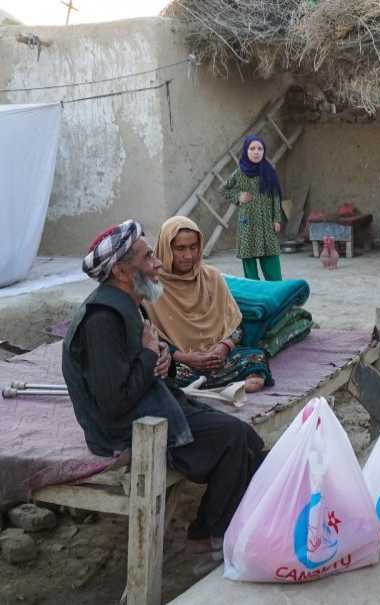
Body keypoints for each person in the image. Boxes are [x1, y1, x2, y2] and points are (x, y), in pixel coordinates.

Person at [62, 219, 265, 553]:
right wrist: (147, 355)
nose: (158, 264)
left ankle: (228, 525)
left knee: (248, 440)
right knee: (234, 439)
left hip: (150, 403)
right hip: (122, 428)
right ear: (122, 272)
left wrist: (164, 358)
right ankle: (207, 534)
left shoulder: (130, 303)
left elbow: (147, 364)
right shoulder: (103, 320)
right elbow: (113, 402)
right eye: (148, 257)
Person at [145, 216, 272, 394]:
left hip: (216, 358)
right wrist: (184, 357)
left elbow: (235, 325)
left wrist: (223, 347)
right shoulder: (151, 285)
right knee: (161, 371)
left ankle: (205, 386)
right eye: (180, 248)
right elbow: (148, 336)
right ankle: (218, 385)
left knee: (256, 357)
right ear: (166, 248)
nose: (188, 255)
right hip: (179, 361)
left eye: (193, 247)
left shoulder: (211, 277)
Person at [224, 134, 283, 281]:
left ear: (264, 151)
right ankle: (255, 291)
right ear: (246, 151)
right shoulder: (240, 172)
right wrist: (238, 197)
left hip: (267, 222)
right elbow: (224, 189)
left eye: (260, 149)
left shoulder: (269, 171)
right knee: (249, 261)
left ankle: (275, 289)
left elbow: (276, 196)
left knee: (271, 259)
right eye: (252, 149)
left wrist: (277, 219)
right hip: (248, 223)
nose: (256, 152)